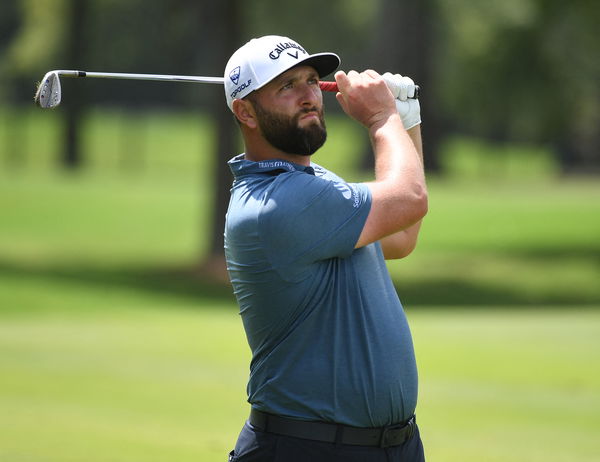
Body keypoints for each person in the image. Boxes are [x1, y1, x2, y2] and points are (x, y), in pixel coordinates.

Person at [223, 35, 428, 462]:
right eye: (286, 87)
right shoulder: (277, 204)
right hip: (308, 448)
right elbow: (409, 199)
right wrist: (383, 118)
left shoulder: (317, 183)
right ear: (245, 111)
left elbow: (401, 234)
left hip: (393, 447)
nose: (309, 97)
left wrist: (407, 122)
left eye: (312, 80)